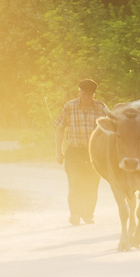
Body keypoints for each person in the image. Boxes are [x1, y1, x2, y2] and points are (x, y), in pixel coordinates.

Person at [54, 78, 108, 225]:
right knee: (75, 181)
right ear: (79, 92)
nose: (85, 98)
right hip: (74, 151)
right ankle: (75, 213)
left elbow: (110, 130)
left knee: (92, 184)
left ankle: (88, 214)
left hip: (94, 153)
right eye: (83, 94)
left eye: (89, 95)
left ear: (93, 95)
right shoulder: (69, 107)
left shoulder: (101, 108)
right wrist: (58, 151)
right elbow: (59, 127)